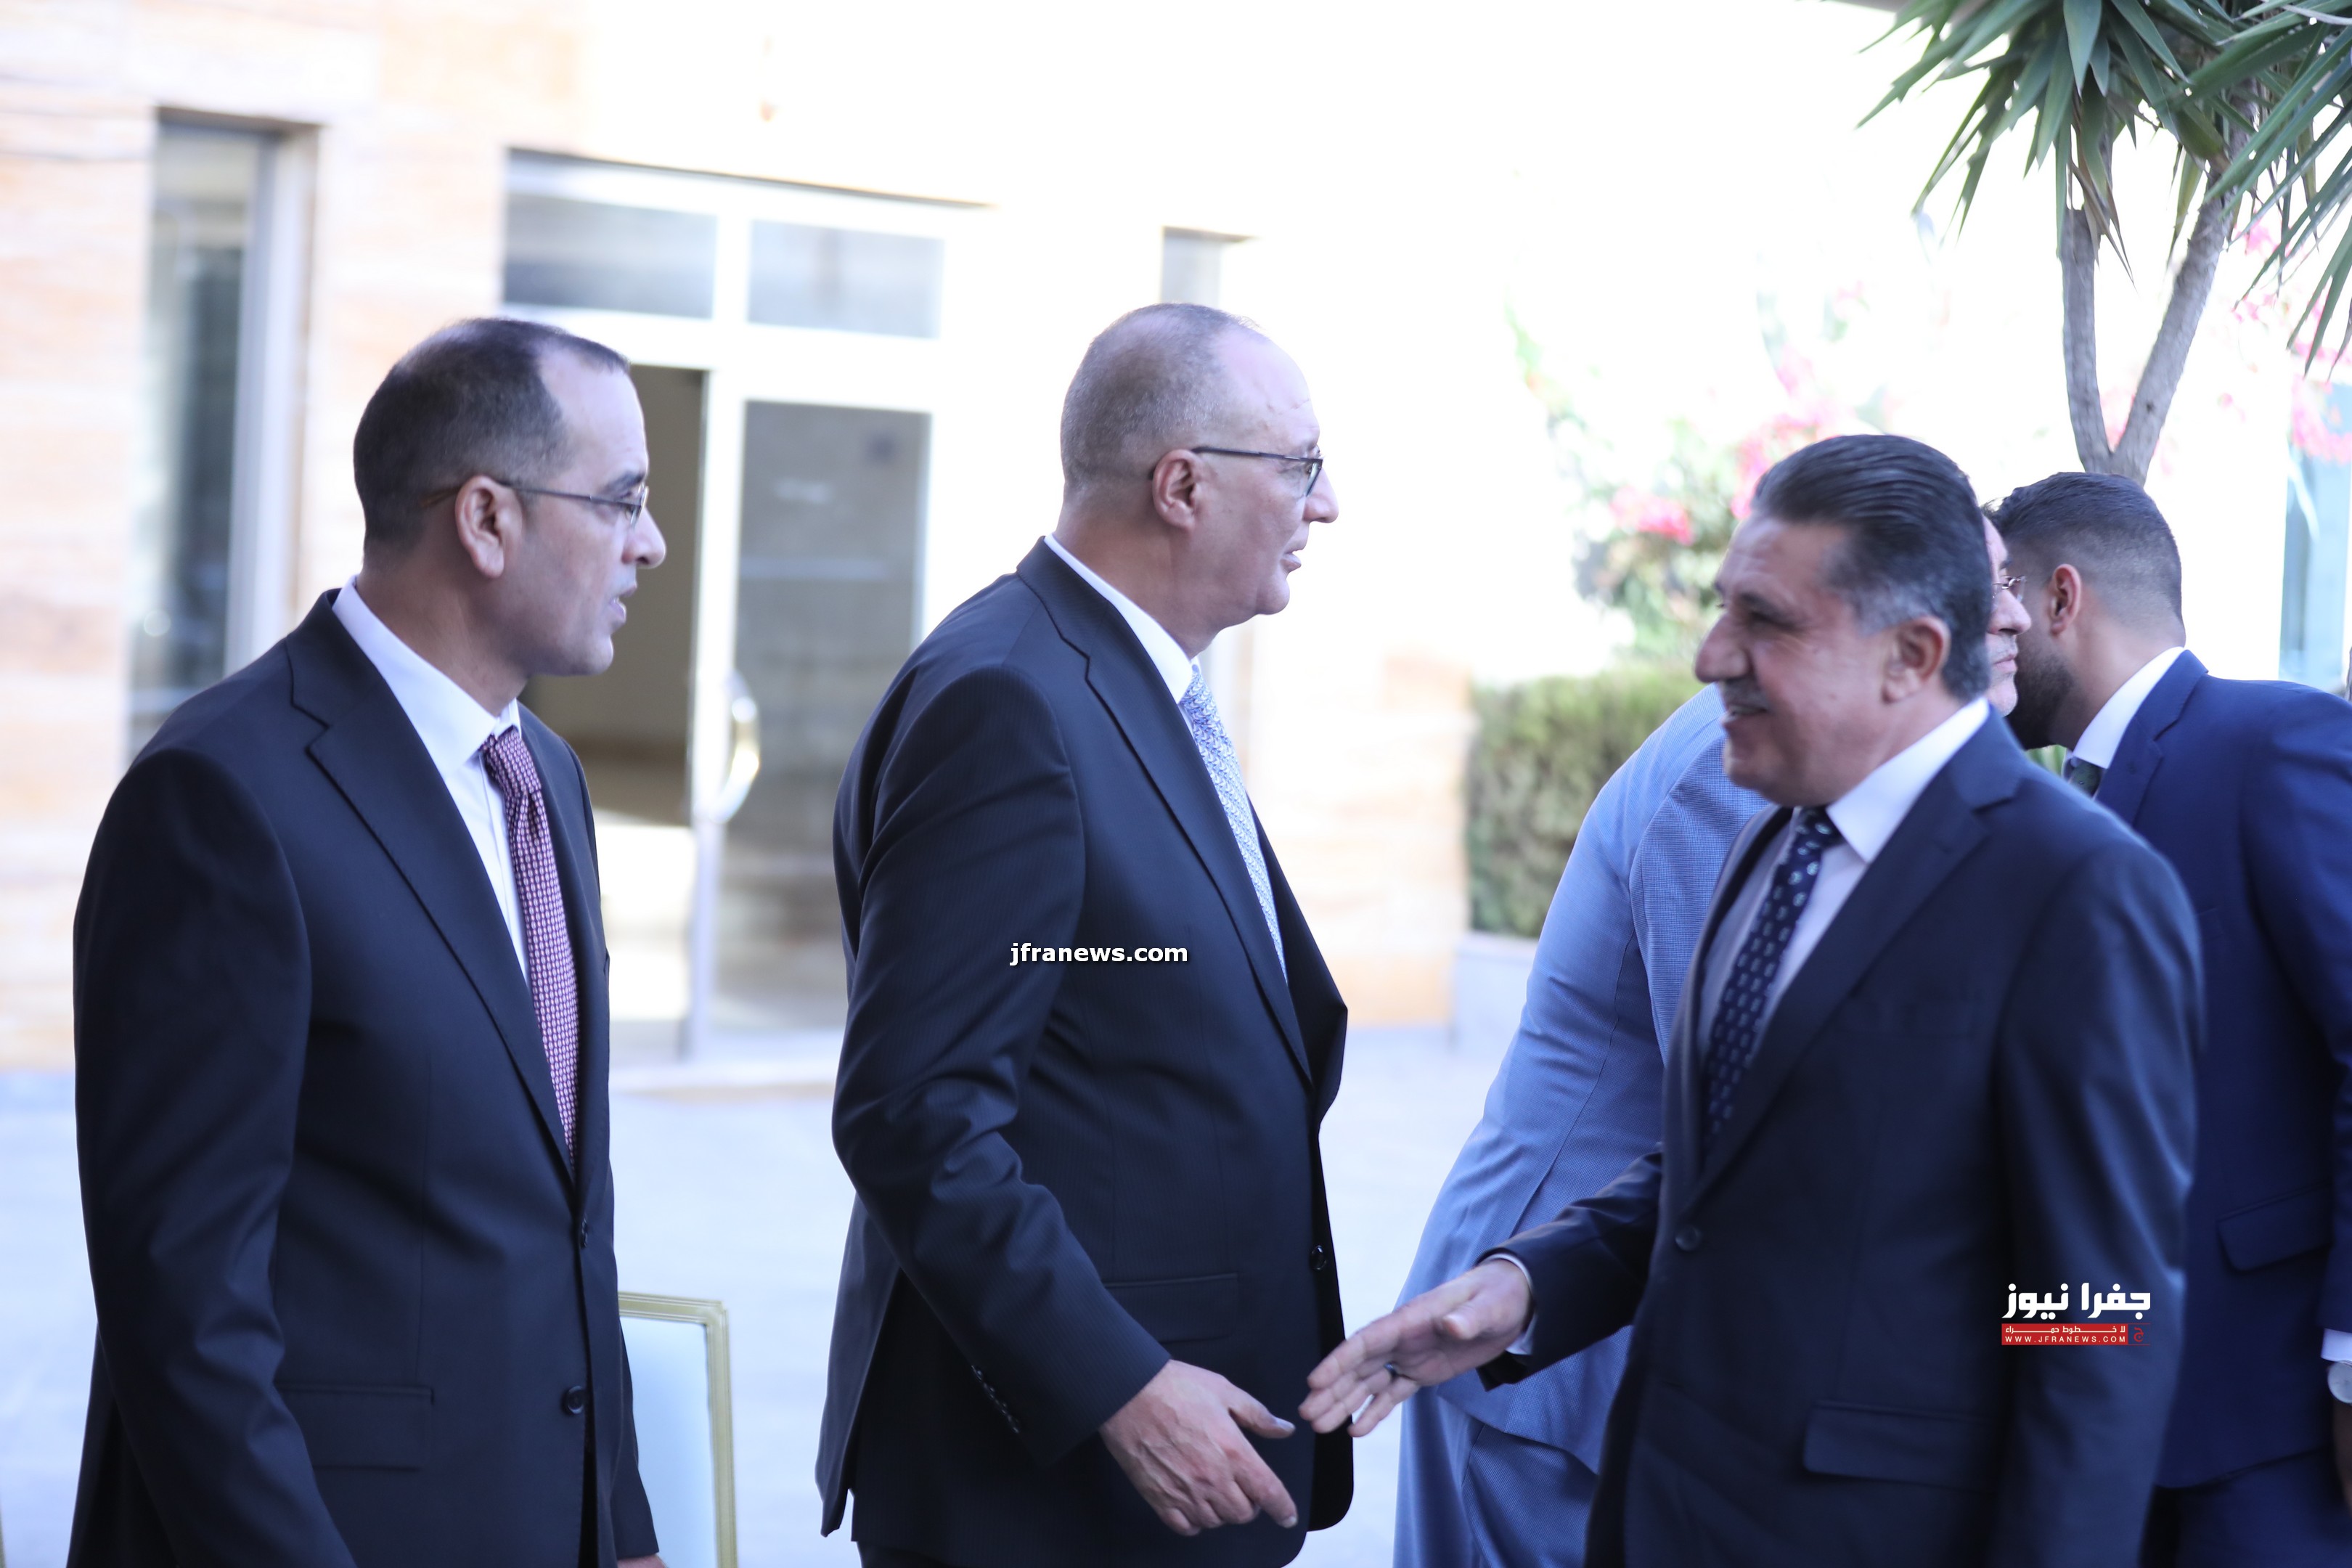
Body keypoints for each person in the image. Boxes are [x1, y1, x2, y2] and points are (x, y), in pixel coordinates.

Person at [1304, 434, 2201, 1567]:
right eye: (1724, 608)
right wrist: (1529, 1286)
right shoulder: (1769, 838)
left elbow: (2092, 1318)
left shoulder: (2078, 892)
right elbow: (1727, 1164)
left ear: (1912, 656)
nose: (1709, 655)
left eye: (1766, 623)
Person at [69, 318, 668, 1568]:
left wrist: (619, 1525)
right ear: (487, 520)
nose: (649, 544)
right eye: (622, 501)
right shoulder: (222, 795)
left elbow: (570, 1223)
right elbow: (182, 1304)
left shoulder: (545, 776)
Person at [1389, 511, 2034, 1568]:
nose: (2016, 617)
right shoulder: (1741, 778)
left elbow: (2104, 1296)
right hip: (1559, 1345)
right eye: (1993, 584)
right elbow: (1751, 1131)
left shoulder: (2062, 872)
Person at [818, 303, 1350, 1567]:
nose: (1325, 507)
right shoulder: (1010, 699)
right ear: (1184, 486)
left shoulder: (1116, 680)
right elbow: (916, 1114)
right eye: (1303, 468)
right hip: (1054, 1490)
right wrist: (1118, 1384)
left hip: (1165, 1475)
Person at [1996, 471, 2352, 1565]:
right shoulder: (2044, 806)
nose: (1986, 631)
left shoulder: (2272, 740)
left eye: (2001, 596)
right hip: (2097, 1431)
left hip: (2273, 1425)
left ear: (2061, 598)